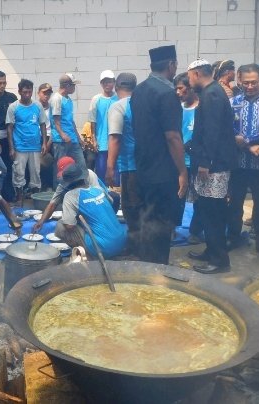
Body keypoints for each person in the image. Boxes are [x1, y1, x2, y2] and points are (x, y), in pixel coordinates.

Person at [129, 45, 188, 265]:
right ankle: (158, 269)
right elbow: (172, 136)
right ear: (171, 65)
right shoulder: (167, 94)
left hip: (144, 166)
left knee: (147, 218)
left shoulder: (140, 90)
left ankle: (146, 263)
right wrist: (182, 171)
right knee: (162, 222)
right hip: (164, 171)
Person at [186, 59, 237, 274]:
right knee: (206, 210)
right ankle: (211, 249)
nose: (189, 82)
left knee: (214, 212)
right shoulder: (211, 92)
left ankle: (219, 260)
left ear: (197, 74)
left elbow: (212, 132)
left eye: (189, 77)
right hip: (210, 162)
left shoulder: (213, 95)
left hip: (214, 166)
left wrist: (205, 162)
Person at [225, 64, 259, 259]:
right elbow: (228, 129)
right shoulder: (232, 102)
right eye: (246, 83)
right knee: (235, 203)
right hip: (238, 164)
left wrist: (249, 141)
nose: (250, 86)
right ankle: (233, 237)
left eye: (254, 82)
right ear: (239, 80)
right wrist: (248, 145)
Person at [55, 164, 126, 258]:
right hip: (121, 241)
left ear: (68, 183)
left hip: (103, 248)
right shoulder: (98, 189)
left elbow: (69, 226)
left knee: (61, 226)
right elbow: (111, 202)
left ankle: (87, 255)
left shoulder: (71, 195)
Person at [106, 72, 139, 256]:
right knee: (143, 205)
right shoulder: (142, 104)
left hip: (129, 165)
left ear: (117, 87)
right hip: (147, 164)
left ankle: (136, 246)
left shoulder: (118, 107)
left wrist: (110, 167)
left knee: (130, 207)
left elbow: (115, 138)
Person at [32, 156, 111, 233]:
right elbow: (52, 204)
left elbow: (97, 199)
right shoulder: (64, 182)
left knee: (64, 226)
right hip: (82, 208)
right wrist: (41, 221)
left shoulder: (90, 174)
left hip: (97, 206)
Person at [6, 78, 48, 204]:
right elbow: (9, 128)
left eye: (29, 91)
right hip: (20, 147)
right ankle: (19, 198)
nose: (27, 94)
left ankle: (36, 199)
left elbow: (42, 124)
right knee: (18, 173)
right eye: (25, 91)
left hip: (35, 146)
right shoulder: (13, 107)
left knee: (36, 173)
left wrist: (44, 143)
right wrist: (11, 148)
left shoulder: (37, 106)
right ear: (19, 91)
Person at [174, 72, 203, 244]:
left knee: (199, 198)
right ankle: (172, 227)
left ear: (190, 88)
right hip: (180, 161)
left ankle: (195, 230)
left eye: (181, 88)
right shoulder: (177, 109)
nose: (178, 92)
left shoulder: (202, 109)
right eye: (176, 89)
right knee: (178, 196)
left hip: (197, 162)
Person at [0, 70, 18, 200]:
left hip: (10, 138)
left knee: (9, 166)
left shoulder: (11, 98)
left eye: (4, 83)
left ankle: (9, 195)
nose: (2, 86)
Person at [50, 73, 86, 170]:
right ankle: (59, 186)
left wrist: (78, 138)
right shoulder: (56, 99)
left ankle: (82, 185)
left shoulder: (68, 99)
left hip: (72, 139)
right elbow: (56, 121)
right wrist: (63, 135)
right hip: (61, 141)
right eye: (73, 85)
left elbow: (71, 121)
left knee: (81, 165)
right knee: (61, 168)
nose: (74, 87)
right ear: (67, 85)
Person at [89, 70, 118, 184]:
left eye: (109, 82)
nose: (107, 84)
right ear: (101, 84)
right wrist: (94, 139)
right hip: (102, 143)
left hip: (116, 143)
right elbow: (92, 120)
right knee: (101, 174)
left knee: (116, 175)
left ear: (114, 82)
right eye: (104, 82)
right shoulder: (96, 99)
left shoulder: (118, 98)